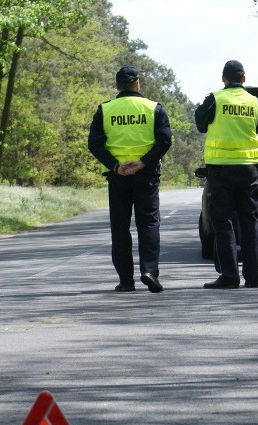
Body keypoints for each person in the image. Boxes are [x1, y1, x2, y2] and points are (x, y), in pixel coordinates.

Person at [88, 65, 172, 293]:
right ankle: (149, 271)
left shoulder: (105, 110)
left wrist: (115, 165)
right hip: (146, 175)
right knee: (149, 224)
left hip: (118, 177)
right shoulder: (153, 108)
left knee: (120, 227)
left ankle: (126, 280)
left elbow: (94, 144)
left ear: (117, 86)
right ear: (137, 84)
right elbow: (164, 140)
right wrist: (144, 162)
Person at [194, 60, 258, 289]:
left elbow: (201, 124)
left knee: (223, 222)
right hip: (249, 167)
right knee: (250, 221)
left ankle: (229, 276)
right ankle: (253, 277)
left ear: (223, 78)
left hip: (221, 168)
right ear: (244, 78)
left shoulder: (215, 99)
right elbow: (256, 125)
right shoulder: (254, 101)